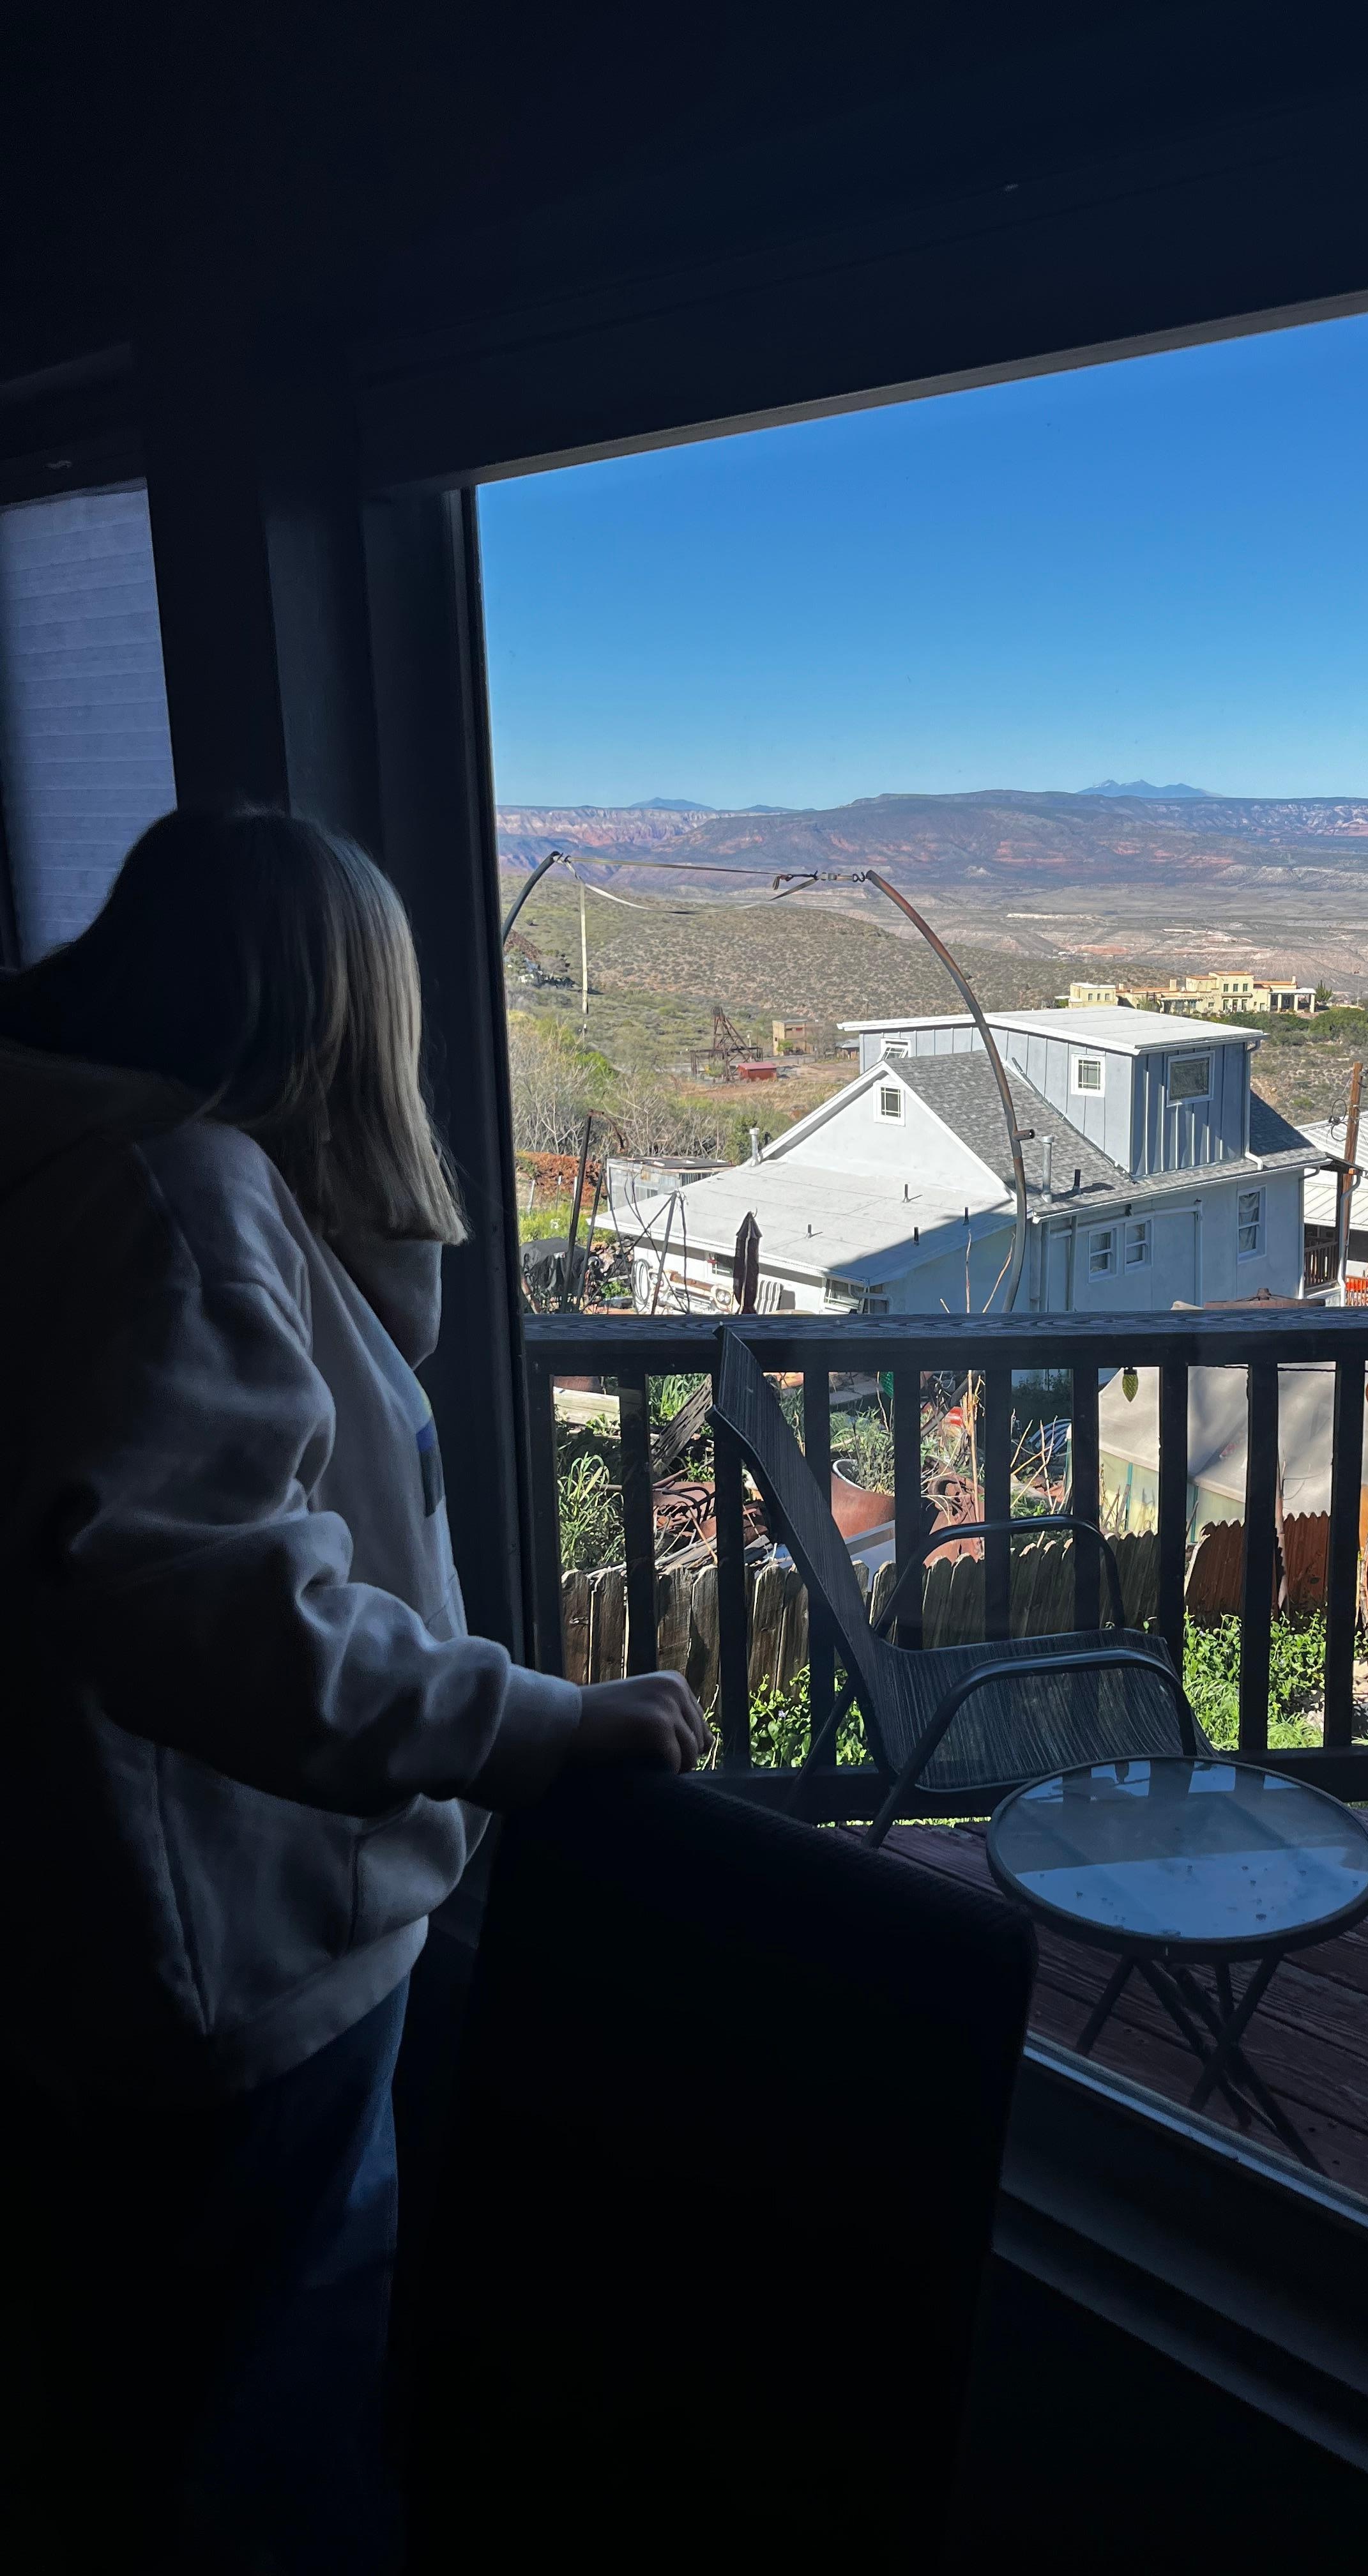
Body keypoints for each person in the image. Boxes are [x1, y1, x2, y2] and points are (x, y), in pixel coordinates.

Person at [0, 808, 709, 2572]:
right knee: (263, 2434)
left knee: (158, 2397)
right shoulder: (176, 1196)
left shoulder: (64, 1166)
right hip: (241, 1957)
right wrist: (532, 1725)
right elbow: (231, 1606)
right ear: (334, 1013)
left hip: (96, 1934)